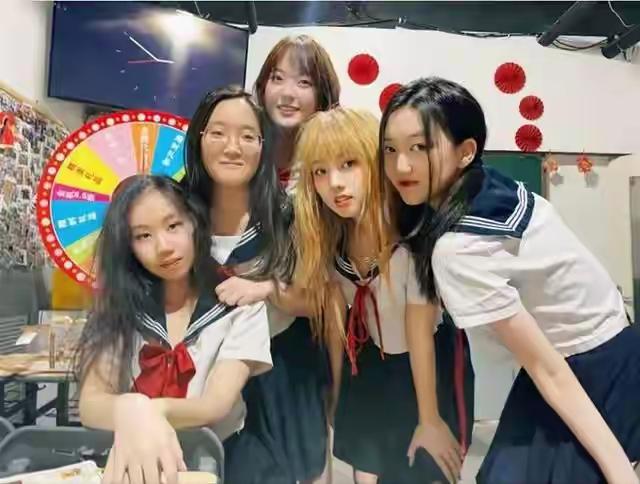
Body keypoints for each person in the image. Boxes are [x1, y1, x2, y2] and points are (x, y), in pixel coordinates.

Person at [380, 76, 640, 484]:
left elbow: (548, 370)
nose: (401, 166)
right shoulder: (492, 186)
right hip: (616, 345)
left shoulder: (459, 247)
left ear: (466, 151)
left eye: (420, 147)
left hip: (586, 368)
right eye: (390, 149)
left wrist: (620, 473)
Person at [292, 106, 469, 483]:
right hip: (369, 366)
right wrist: (337, 391)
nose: (334, 183)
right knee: (365, 469)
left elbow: (419, 332)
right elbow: (337, 324)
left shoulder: (414, 234)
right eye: (320, 171)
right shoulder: (331, 237)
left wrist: (429, 419)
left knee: (423, 470)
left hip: (428, 366)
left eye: (349, 164)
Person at [75, 175, 272, 484]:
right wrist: (132, 407)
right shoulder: (117, 308)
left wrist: (148, 411)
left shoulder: (239, 304)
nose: (164, 247)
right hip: (136, 463)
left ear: (194, 222)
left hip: (222, 459)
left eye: (173, 226)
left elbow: (214, 405)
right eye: (143, 235)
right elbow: (90, 405)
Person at [183, 86, 326, 483]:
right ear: (198, 138)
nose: (233, 147)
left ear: (264, 146)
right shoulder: (174, 212)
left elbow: (323, 298)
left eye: (248, 136)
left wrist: (266, 289)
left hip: (278, 377)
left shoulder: (288, 215)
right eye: (218, 133)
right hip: (194, 377)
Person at [254, 34, 340, 193]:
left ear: (322, 95)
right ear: (263, 86)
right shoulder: (244, 152)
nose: (287, 93)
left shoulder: (335, 168)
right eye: (278, 78)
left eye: (304, 82)